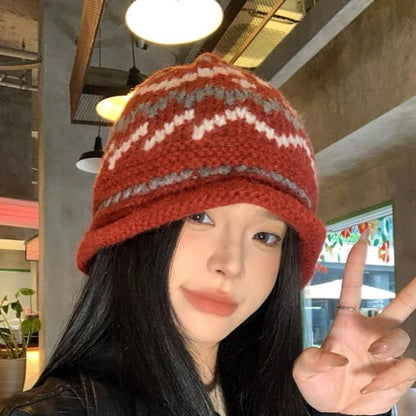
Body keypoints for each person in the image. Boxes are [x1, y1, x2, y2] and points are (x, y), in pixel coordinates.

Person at [1, 53, 415, 416]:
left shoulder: (283, 396)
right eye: (199, 216)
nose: (231, 264)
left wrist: (338, 410)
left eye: (265, 237)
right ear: (129, 234)